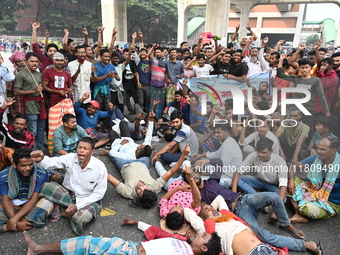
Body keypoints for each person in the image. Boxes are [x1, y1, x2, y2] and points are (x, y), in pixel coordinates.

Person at [184, 195, 322, 255]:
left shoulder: (226, 215)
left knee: (267, 235)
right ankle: (306, 245)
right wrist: (204, 215)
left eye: (212, 207)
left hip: (264, 248)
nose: (212, 209)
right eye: (208, 209)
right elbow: (187, 212)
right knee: (267, 235)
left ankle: (305, 244)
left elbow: (220, 199)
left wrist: (210, 209)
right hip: (252, 252)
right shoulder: (206, 228)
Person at [22, 217, 221, 255]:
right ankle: (38, 249)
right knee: (86, 243)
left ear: (203, 248)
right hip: (128, 246)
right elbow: (158, 231)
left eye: (204, 237)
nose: (200, 233)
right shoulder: (182, 241)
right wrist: (138, 222)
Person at [30, 137, 107, 235]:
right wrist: (41, 160)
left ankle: (62, 209)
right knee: (46, 187)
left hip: (87, 199)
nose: (81, 151)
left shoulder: (100, 167)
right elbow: (53, 162)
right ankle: (68, 211)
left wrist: (77, 206)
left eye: (85, 149)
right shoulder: (70, 157)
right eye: (80, 148)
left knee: (82, 218)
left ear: (92, 152)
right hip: (68, 194)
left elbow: (99, 194)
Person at [107, 145, 190, 208]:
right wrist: (183, 156)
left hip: (125, 165)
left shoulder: (128, 192)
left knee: (113, 156)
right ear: (150, 189)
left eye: (139, 192)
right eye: (144, 188)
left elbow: (109, 177)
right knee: (148, 154)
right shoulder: (155, 187)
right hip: (142, 163)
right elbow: (171, 171)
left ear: (138, 198)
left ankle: (107, 152)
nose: (140, 187)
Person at [289, 136, 340, 223]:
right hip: (313, 190)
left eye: (323, 149)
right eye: (318, 148)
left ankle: (298, 206)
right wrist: (290, 181)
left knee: (306, 209)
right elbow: (294, 167)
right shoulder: (317, 158)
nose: (318, 151)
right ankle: (298, 213)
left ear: (333, 150)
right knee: (286, 183)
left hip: (330, 202)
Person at [232, 137, 288, 217]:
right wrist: (234, 194)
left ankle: (258, 199)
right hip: (259, 181)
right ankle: (260, 198)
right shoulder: (253, 155)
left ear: (271, 151)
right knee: (238, 179)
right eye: (258, 151)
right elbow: (237, 172)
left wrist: (277, 212)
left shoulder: (279, 161)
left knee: (283, 198)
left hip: (273, 186)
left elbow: (283, 187)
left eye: (264, 152)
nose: (260, 154)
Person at [0, 148, 53, 233]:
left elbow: (34, 199)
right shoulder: (3, 176)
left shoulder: (41, 173)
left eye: (30, 164)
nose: (28, 168)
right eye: (23, 165)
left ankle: (11, 224)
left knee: (48, 202)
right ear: (14, 164)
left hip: (32, 203)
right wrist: (15, 220)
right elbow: (6, 200)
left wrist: (14, 220)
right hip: (12, 205)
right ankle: (23, 222)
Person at [42, 52, 75, 155]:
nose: (60, 62)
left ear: (64, 61)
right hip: (54, 102)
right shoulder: (47, 72)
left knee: (71, 124)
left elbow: (71, 86)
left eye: (61, 60)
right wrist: (57, 92)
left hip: (67, 101)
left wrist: (70, 90)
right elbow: (44, 87)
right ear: (53, 61)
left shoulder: (66, 73)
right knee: (53, 127)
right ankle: (53, 150)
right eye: (57, 60)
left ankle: (70, 147)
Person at [14, 52, 46, 151]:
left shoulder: (40, 74)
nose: (34, 64)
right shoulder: (21, 74)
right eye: (31, 61)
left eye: (36, 61)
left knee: (41, 129)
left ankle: (40, 147)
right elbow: (16, 91)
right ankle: (32, 149)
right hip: (30, 105)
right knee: (33, 130)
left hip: (41, 105)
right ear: (27, 61)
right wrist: (34, 91)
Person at [159, 165, 201, 230]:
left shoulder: (165, 212)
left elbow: (163, 198)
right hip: (191, 183)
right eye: (181, 208)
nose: (178, 205)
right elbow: (198, 199)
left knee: (161, 170)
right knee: (187, 165)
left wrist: (178, 188)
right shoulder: (191, 212)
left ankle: (159, 161)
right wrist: (191, 180)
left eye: (174, 207)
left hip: (172, 184)